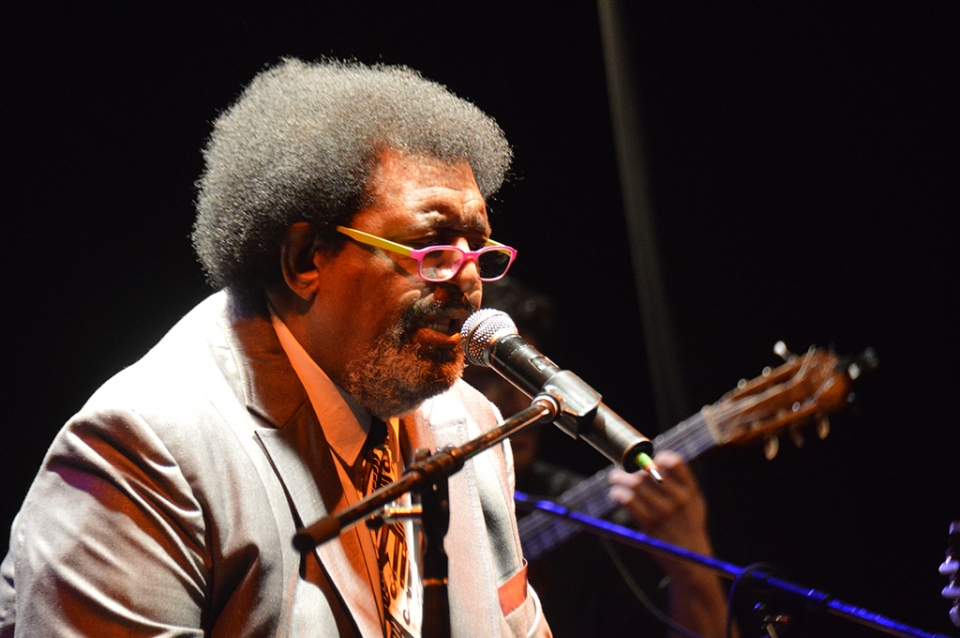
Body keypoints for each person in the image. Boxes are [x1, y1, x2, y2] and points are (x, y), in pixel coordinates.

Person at [0, 59, 550, 637]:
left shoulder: (471, 423)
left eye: (478, 248)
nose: (468, 279)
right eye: (431, 246)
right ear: (304, 260)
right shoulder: (147, 449)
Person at [463, 277, 731, 638]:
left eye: (525, 381)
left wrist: (694, 570)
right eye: (486, 379)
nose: (520, 400)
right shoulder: (405, 489)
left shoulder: (582, 516)